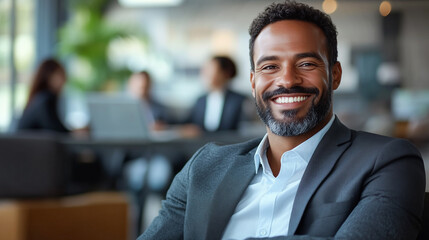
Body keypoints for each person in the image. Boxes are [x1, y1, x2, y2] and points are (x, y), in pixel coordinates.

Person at [138, 1, 425, 239]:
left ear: (334, 74)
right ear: (253, 82)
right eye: (270, 66)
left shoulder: (388, 162)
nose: (287, 80)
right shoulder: (204, 167)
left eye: (306, 64)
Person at [184, 56, 247, 133]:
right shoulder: (200, 101)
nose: (205, 73)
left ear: (225, 73)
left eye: (210, 69)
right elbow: (187, 123)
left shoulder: (240, 101)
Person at [17, 58, 69, 133]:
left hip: (29, 143)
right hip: (28, 144)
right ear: (48, 76)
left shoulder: (39, 98)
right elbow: (56, 131)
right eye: (60, 75)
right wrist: (75, 133)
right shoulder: (45, 99)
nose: (64, 80)